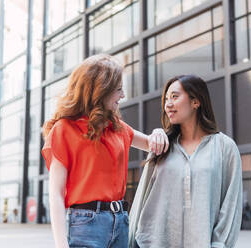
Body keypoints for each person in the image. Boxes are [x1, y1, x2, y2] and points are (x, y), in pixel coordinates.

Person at [42, 54, 168, 248]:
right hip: (86, 224)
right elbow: (56, 195)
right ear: (100, 91)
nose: (123, 95)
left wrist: (159, 132)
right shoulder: (64, 129)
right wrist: (61, 244)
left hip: (121, 221)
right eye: (118, 89)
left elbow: (151, 143)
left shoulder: (116, 126)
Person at [129, 75, 243, 248]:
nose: (168, 104)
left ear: (195, 101)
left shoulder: (224, 147)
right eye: (166, 99)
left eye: (174, 97)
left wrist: (219, 244)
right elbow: (142, 197)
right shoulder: (162, 146)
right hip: (151, 243)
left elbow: (231, 204)